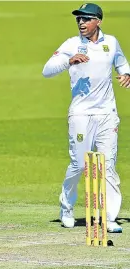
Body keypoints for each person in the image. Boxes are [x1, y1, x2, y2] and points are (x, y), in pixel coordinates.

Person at [42, 3, 130, 232]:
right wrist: (69, 61)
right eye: (79, 19)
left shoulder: (110, 43)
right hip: (80, 113)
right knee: (79, 164)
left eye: (86, 19)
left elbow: (121, 62)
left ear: (98, 21)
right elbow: (47, 70)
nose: (81, 23)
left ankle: (109, 216)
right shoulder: (72, 45)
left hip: (107, 114)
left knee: (108, 165)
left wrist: (126, 74)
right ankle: (67, 208)